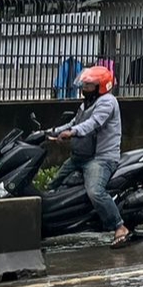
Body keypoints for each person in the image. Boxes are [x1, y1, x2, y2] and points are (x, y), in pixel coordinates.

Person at [50, 66, 130, 248]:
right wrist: (52, 132)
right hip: (82, 156)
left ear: (100, 87)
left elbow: (93, 124)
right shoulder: (87, 103)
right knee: (55, 184)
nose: (84, 88)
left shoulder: (108, 102)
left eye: (88, 86)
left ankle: (120, 226)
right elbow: (74, 123)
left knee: (95, 191)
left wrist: (72, 133)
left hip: (102, 158)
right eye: (84, 85)